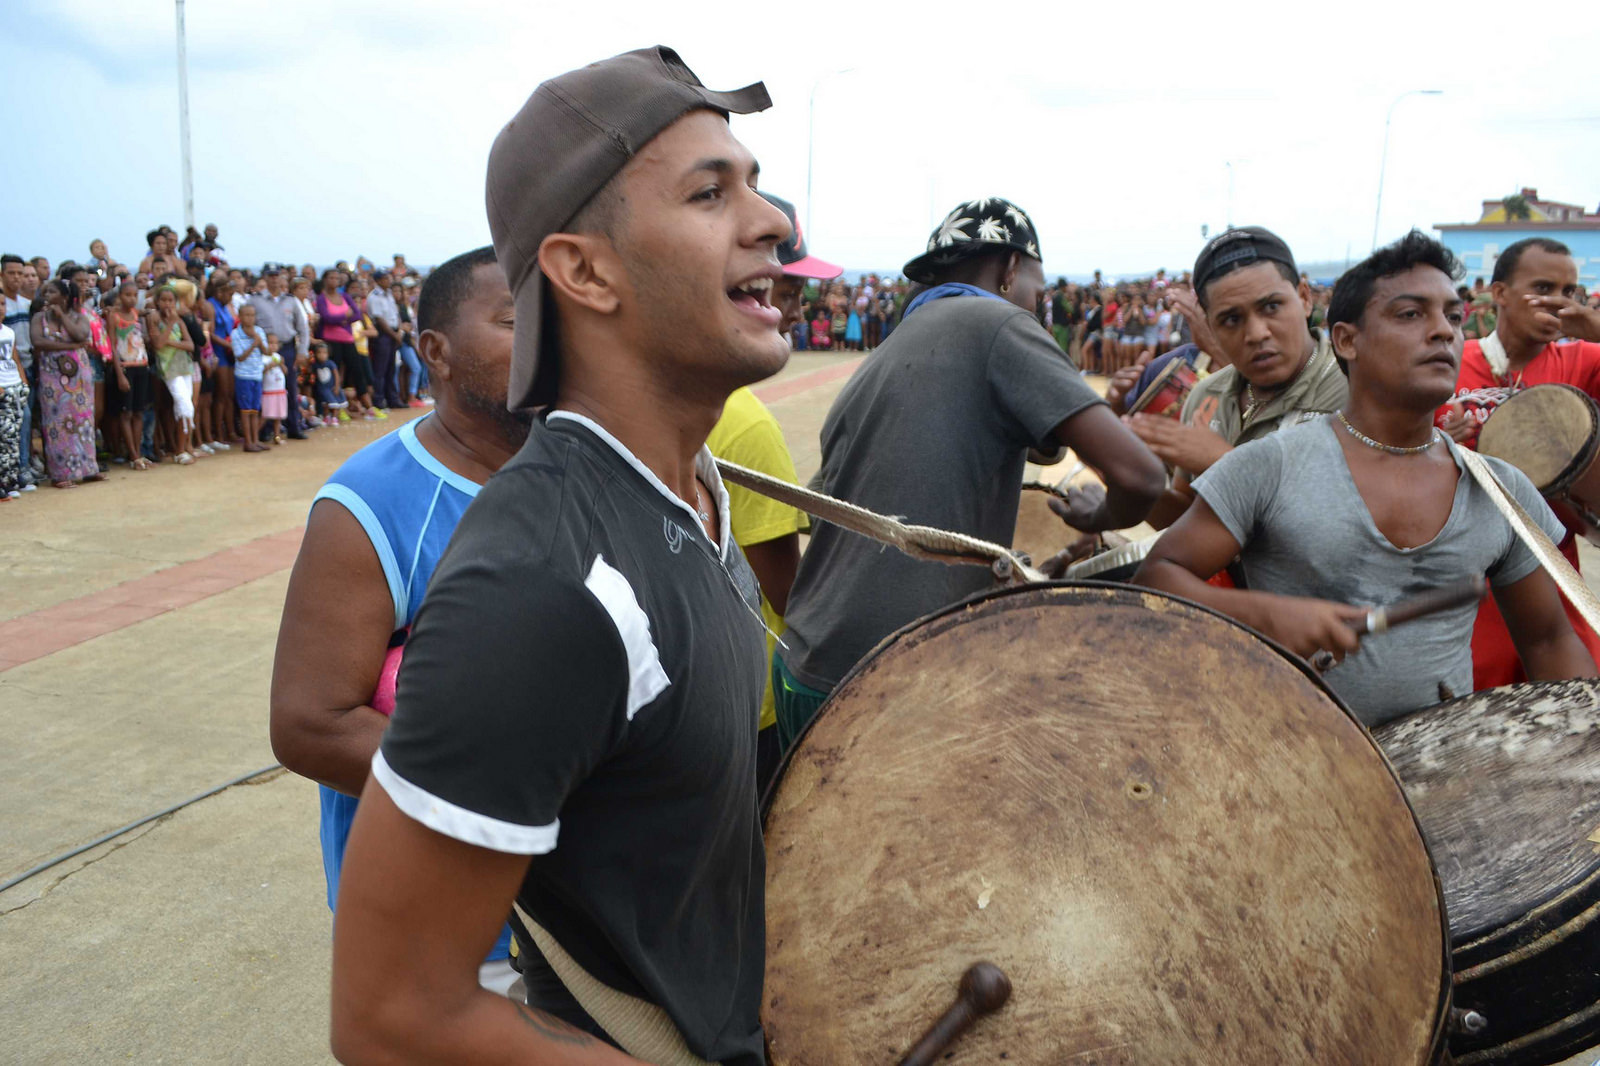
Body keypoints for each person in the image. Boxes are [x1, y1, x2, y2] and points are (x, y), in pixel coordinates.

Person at [329, 47, 782, 1065]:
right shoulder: (544, 583)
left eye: (753, 182)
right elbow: (394, 1014)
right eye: (710, 193)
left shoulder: (689, 489)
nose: (771, 220)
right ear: (583, 270)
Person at [1134, 231, 1594, 727]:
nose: (1442, 331)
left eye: (1453, 316)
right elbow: (1157, 580)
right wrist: (1266, 615)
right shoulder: (1270, 465)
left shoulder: (1500, 488)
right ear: (1347, 340)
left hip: (1446, 781)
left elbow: (1548, 640)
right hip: (1292, 765)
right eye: (1411, 314)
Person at [773, 197, 1167, 748]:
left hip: (804, 666)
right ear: (1009, 270)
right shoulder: (999, 323)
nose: (1038, 304)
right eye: (1038, 288)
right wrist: (1097, 514)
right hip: (889, 682)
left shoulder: (882, 359)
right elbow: (1144, 479)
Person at [272, 246, 529, 1005]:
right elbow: (309, 725)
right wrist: (522, 807)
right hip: (442, 932)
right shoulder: (370, 504)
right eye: (516, 321)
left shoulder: (578, 474)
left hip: (580, 923)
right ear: (435, 353)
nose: (547, 340)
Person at [709, 190, 840, 790]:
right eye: (782, 293)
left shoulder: (692, 403)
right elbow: (788, 597)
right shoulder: (747, 423)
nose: (793, 311)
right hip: (750, 707)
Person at [1436, 236, 1600, 688]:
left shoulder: (1582, 360)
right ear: (1500, 293)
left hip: (1553, 573)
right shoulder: (1448, 359)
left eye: (1570, 292)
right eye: (1543, 287)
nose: (1558, 303)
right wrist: (1437, 444)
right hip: (1467, 580)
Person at [1128, 226, 1347, 528]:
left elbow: (1344, 534)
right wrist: (1130, 482)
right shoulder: (1205, 397)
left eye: (1271, 307)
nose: (1257, 333)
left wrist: (1227, 464)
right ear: (1209, 326)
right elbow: (1186, 520)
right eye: (1232, 320)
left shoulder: (1357, 392)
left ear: (1304, 298)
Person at [31, 278, 103, 486]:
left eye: (51, 292)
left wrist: (62, 317)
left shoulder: (78, 317)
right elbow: (38, 341)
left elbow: (82, 334)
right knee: (57, 423)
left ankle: (88, 468)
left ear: (64, 296)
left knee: (83, 420)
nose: (46, 296)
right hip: (52, 377)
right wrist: (72, 345)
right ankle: (61, 473)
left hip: (79, 378)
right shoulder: (39, 318)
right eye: (45, 292)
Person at [251, 268, 311, 439]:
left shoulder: (290, 301)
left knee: (290, 387)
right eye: (270, 276)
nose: (274, 279)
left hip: (287, 347)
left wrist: (302, 352)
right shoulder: (256, 300)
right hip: (263, 350)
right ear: (265, 278)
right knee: (265, 389)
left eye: (276, 276)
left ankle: (294, 426)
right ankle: (265, 430)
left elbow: (303, 328)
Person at [144, 285, 198, 466]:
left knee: (183, 407)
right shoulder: (155, 319)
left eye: (170, 300)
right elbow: (158, 344)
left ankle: (182, 447)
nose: (167, 304)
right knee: (184, 404)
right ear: (158, 301)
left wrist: (171, 342)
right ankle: (180, 451)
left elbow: (191, 345)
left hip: (184, 366)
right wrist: (169, 326)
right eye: (164, 300)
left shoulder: (180, 321)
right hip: (169, 368)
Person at [105, 282, 153, 470]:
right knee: (126, 413)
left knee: (139, 411)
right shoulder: (114, 316)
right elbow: (112, 346)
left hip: (141, 365)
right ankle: (132, 454)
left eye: (134, 295)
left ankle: (138, 452)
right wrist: (119, 374)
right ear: (120, 296)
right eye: (127, 295)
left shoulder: (135, 313)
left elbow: (146, 311)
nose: (131, 299)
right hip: (125, 367)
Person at [2, 255, 37, 491]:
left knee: (24, 421)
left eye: (20, 273)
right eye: (12, 273)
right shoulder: (2, 303)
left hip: (24, 371)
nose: (17, 277)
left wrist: (24, 380)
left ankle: (22, 469)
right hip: (6, 376)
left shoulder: (26, 304)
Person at [230, 302, 268, 453]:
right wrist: (253, 344)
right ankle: (248, 441)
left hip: (257, 374)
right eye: (246, 315)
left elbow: (266, 352)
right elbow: (240, 357)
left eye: (252, 315)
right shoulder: (235, 334)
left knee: (255, 410)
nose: (250, 318)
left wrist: (258, 340)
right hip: (243, 376)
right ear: (240, 317)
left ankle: (255, 439)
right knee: (245, 411)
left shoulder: (259, 331)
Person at [365, 270, 403, 409]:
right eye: (386, 278)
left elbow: (395, 314)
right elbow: (379, 319)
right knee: (380, 369)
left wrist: (399, 331)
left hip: (393, 332)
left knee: (391, 369)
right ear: (379, 280)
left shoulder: (389, 295)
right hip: (383, 334)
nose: (389, 280)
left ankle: (393, 399)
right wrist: (394, 335)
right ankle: (379, 400)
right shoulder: (374, 297)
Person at [0, 317, 26, 499]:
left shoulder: (9, 331)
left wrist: (24, 382)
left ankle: (11, 478)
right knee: (4, 436)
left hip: (15, 385)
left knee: (14, 435)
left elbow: (14, 356)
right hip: (2, 388)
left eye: (2, 304)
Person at [262, 335, 288, 444]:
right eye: (270, 343)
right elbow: (261, 372)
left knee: (278, 416)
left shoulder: (278, 356)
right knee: (265, 415)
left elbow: (285, 371)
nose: (273, 345)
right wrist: (270, 366)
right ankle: (254, 434)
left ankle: (277, 436)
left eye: (275, 343)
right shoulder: (262, 358)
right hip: (268, 391)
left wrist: (281, 364)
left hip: (279, 391)